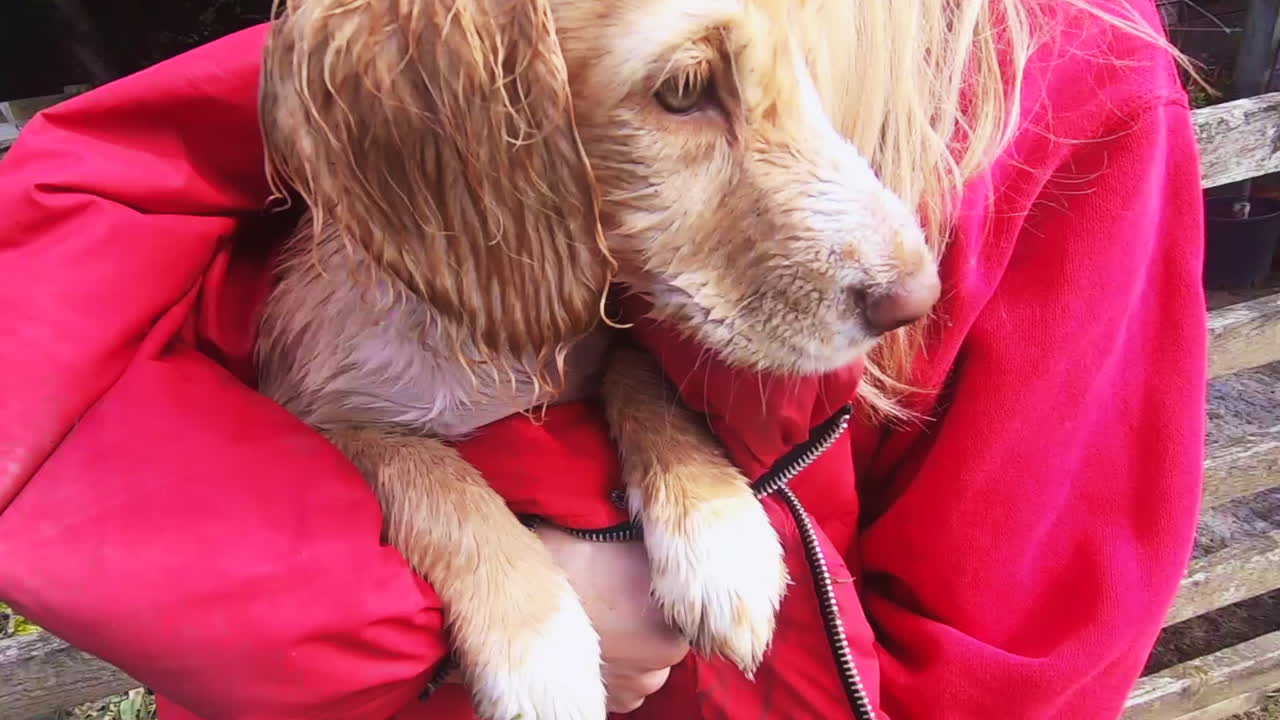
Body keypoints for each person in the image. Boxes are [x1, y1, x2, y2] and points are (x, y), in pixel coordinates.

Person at [0, 0, 1207, 717]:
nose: (900, 264)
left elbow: (1031, 647)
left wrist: (666, 460)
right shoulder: (455, 56)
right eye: (686, 90)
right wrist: (413, 605)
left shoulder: (1066, 70)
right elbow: (72, 284)